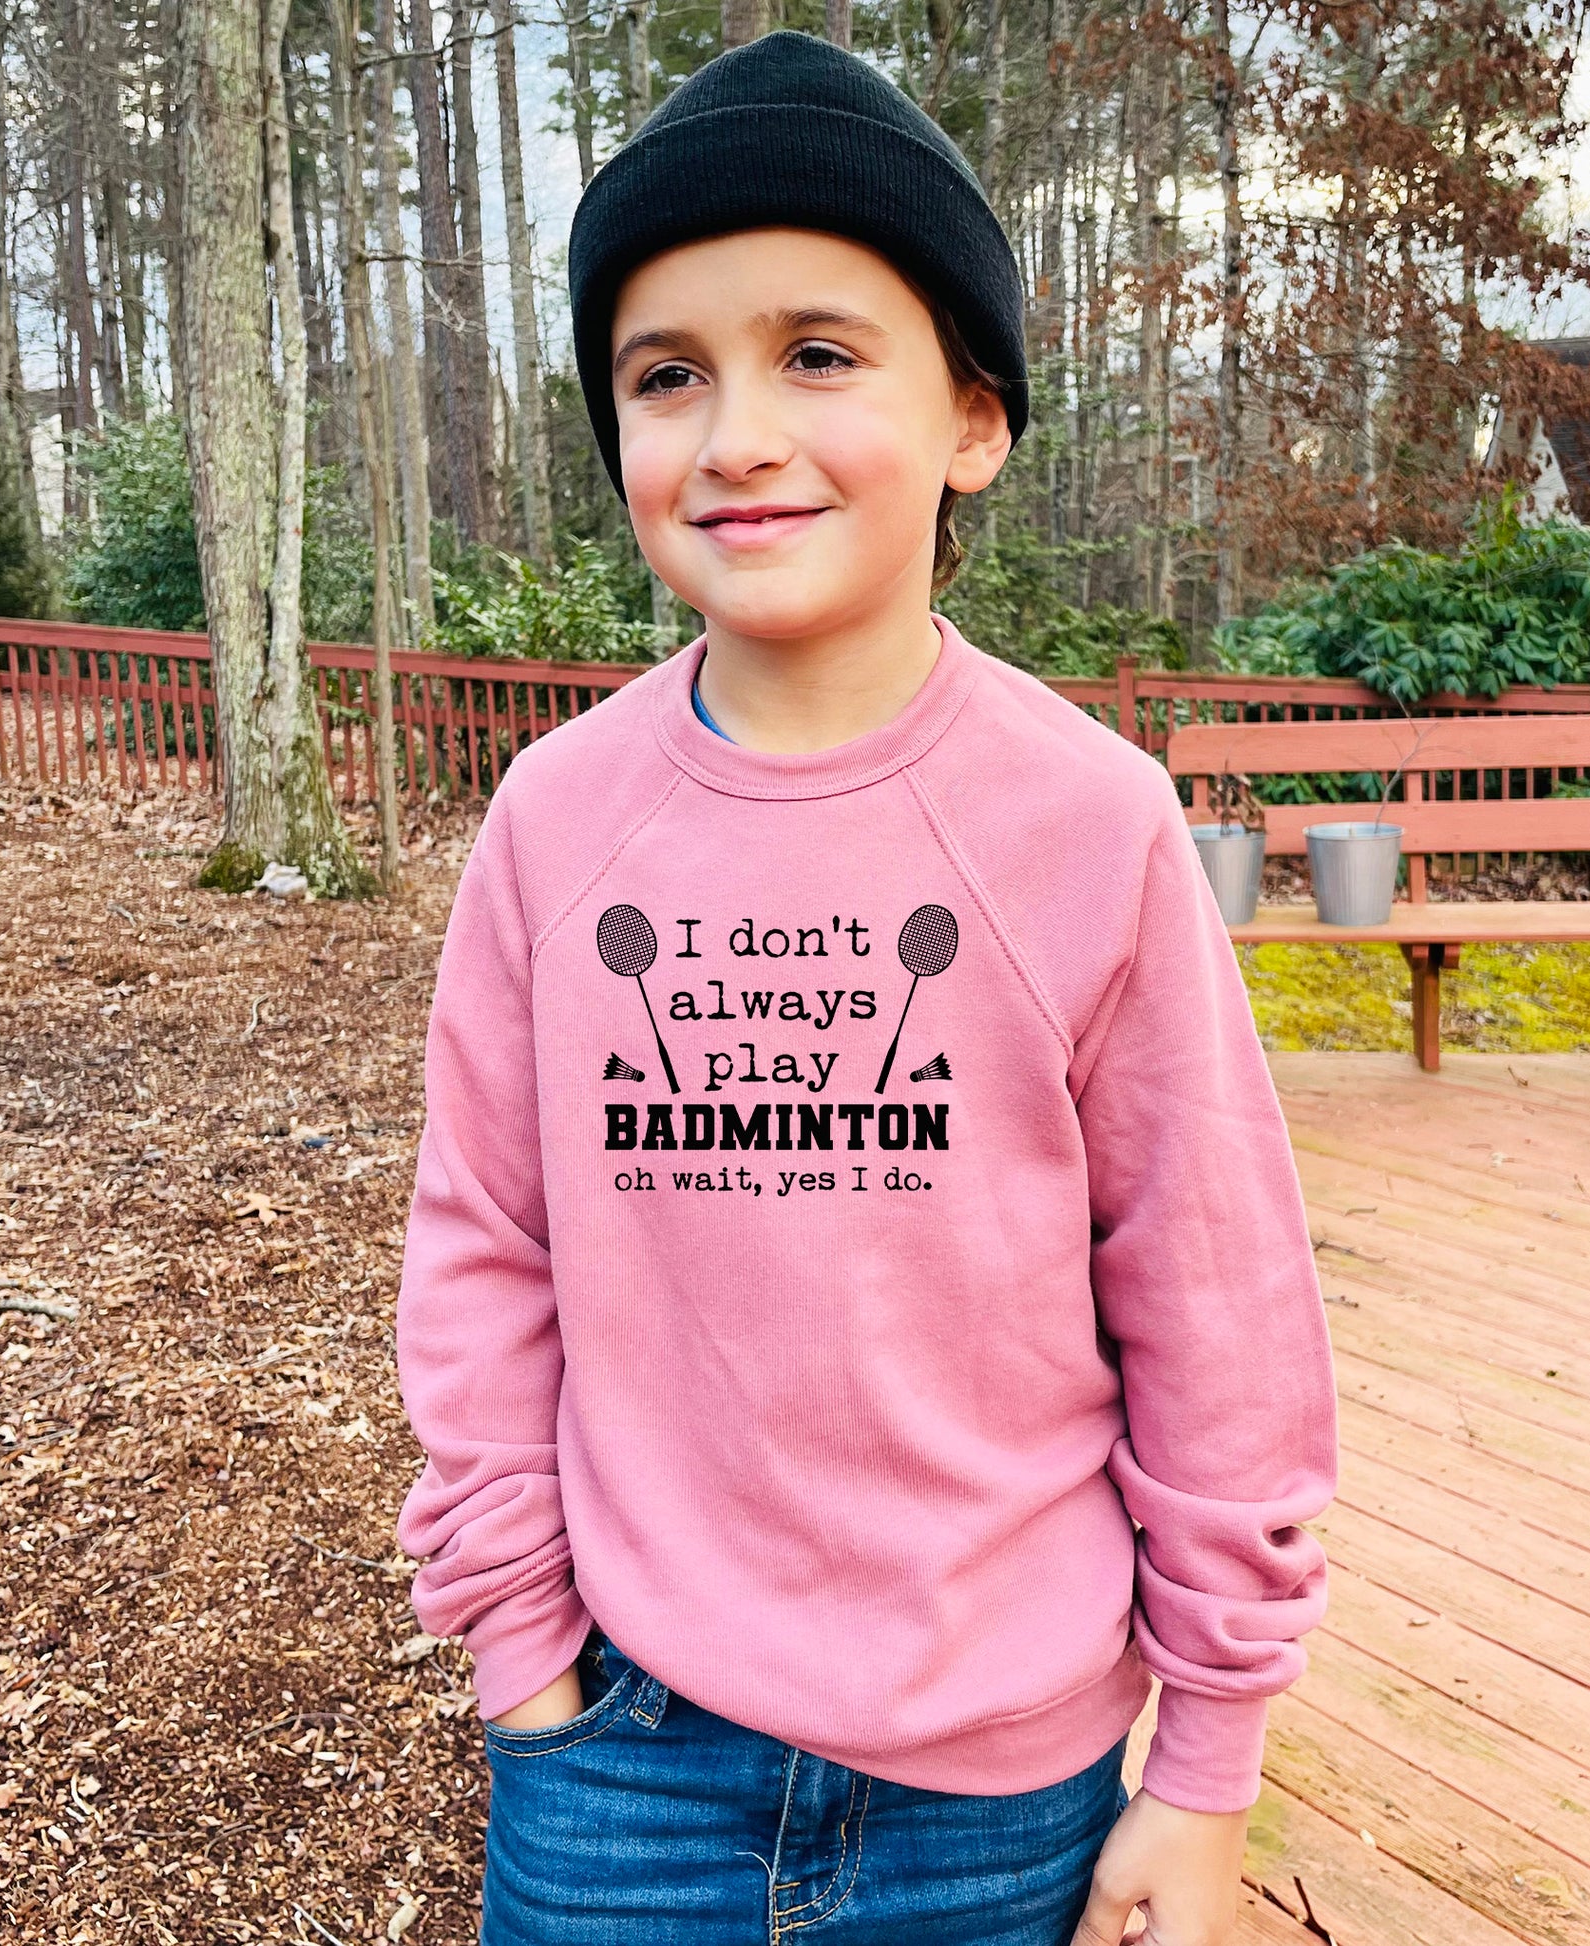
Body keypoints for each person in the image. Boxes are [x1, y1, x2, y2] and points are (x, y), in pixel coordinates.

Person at [393, 30, 1338, 1946]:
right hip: (622, 1762)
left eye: (818, 353)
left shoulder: (1087, 822)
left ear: (974, 420)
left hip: (1005, 1786)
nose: (737, 430)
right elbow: (483, 1247)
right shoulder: (556, 820)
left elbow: (1212, 1294)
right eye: (667, 375)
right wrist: (521, 1656)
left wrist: (1207, 1763)